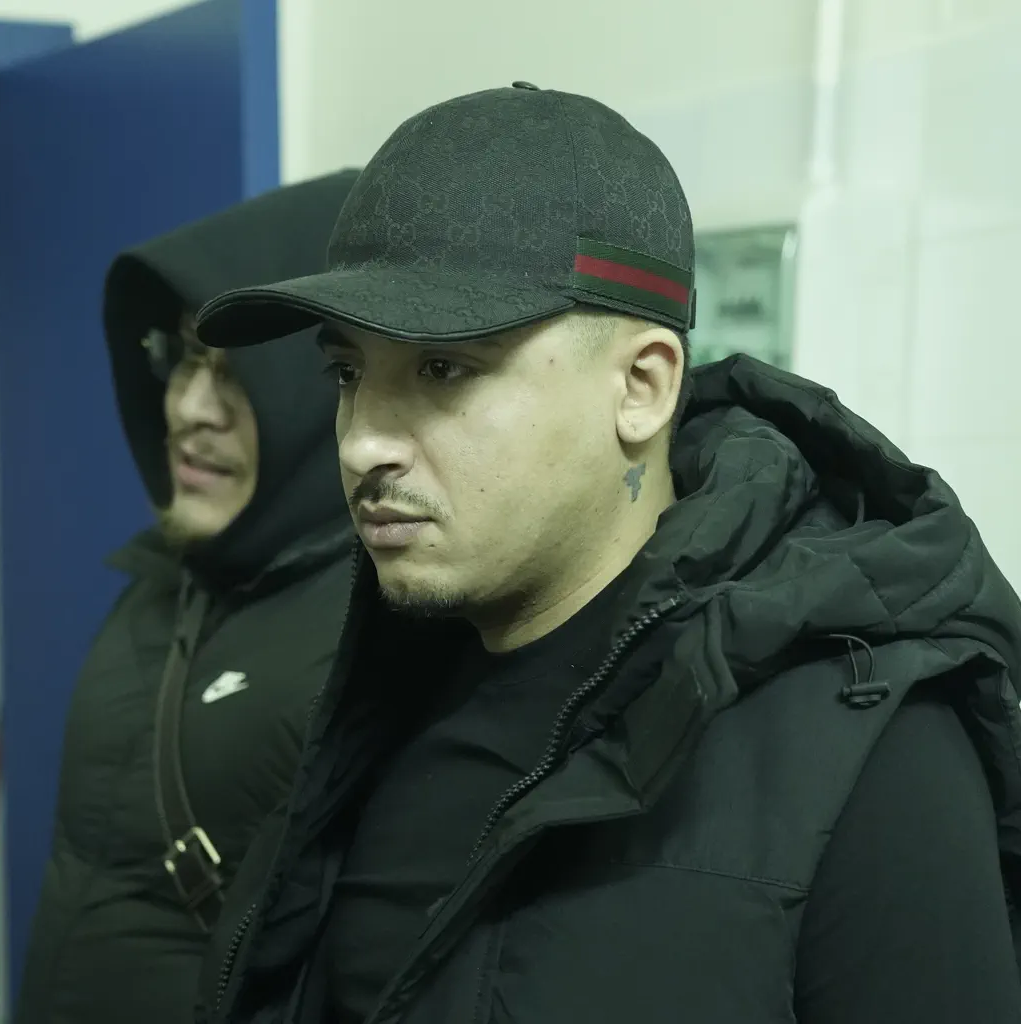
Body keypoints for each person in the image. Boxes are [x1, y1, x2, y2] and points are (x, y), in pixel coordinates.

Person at [194, 85, 1021, 1024]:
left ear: (641, 387)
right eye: (348, 373)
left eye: (442, 368)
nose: (362, 444)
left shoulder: (871, 749)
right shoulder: (374, 693)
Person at [14, 169, 361, 1024]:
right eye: (183, 359)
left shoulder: (375, 628)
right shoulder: (165, 584)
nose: (189, 410)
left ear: (317, 388)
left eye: (236, 372)